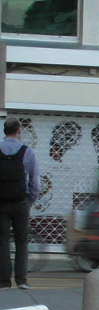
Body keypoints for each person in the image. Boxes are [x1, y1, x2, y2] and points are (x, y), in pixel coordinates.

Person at [0, 117, 40, 289]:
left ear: (4, 131)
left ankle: (3, 281)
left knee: (2, 241)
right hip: (20, 202)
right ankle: (22, 281)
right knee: (22, 241)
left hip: (1, 203)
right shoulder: (28, 151)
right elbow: (35, 181)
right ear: (18, 131)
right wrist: (30, 199)